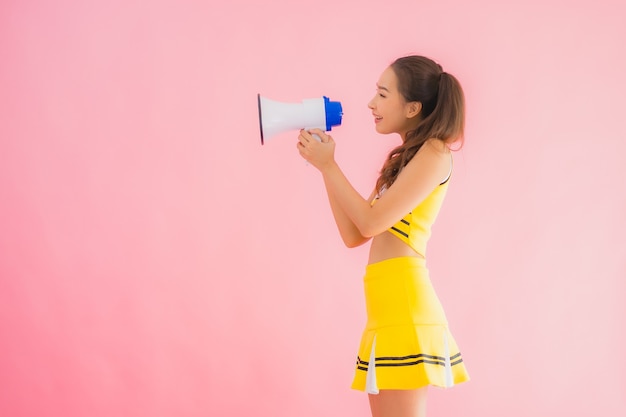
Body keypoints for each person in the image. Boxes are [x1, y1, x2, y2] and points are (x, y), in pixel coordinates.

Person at [296, 55, 470, 417]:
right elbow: (354, 233)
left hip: (405, 308)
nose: (371, 103)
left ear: (412, 107)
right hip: (385, 309)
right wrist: (324, 167)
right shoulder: (406, 159)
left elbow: (370, 223)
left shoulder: (434, 152)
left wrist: (329, 164)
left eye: (382, 93)